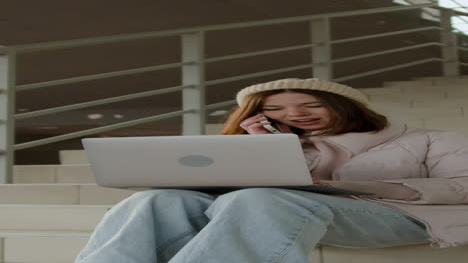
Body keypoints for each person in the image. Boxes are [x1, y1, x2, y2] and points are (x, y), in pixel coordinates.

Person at [75, 78, 468, 263]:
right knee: (157, 200)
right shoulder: (278, 143)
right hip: (280, 206)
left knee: (264, 199)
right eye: (275, 110)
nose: (293, 115)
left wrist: (341, 186)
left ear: (345, 107)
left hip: (409, 216)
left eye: (310, 106)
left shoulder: (430, 138)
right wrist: (262, 147)